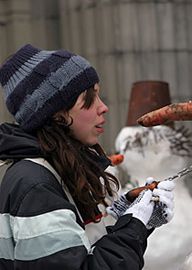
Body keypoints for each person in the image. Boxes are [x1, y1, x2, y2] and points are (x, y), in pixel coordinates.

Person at [0, 44, 175, 270]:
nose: (104, 108)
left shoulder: (56, 168)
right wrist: (134, 224)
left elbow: (84, 245)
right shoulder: (36, 185)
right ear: (57, 114)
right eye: (89, 99)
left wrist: (128, 212)